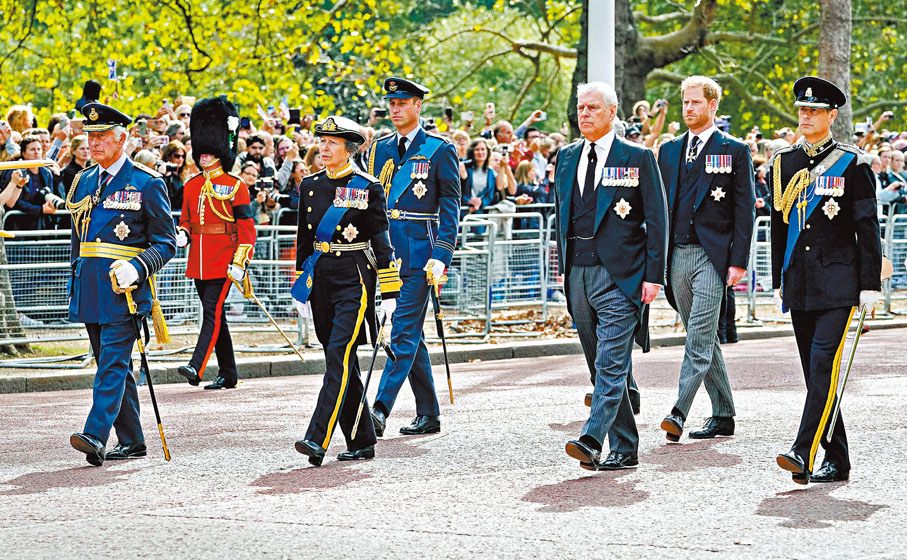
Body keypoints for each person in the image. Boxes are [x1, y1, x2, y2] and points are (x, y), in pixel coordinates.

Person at [770, 77, 882, 484]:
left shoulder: (853, 163)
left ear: (832, 116)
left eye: (814, 111)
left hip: (839, 283)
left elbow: (867, 228)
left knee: (822, 367)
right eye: (802, 109)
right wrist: (777, 276)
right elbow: (779, 226)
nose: (805, 115)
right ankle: (838, 460)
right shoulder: (783, 162)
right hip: (799, 283)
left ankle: (802, 451)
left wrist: (870, 284)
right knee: (817, 376)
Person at [555, 82, 667, 470]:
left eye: (593, 108)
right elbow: (562, 217)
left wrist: (654, 276)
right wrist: (564, 273)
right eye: (581, 108)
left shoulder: (636, 156)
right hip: (579, 274)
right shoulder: (567, 157)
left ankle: (591, 437)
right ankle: (625, 446)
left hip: (622, 275)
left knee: (611, 363)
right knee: (598, 363)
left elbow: (657, 219)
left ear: (613, 111)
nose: (584, 114)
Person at [65, 102, 176, 465]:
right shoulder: (83, 180)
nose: (94, 143)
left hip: (124, 290)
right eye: (90, 136)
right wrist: (75, 278)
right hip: (91, 287)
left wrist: (139, 266)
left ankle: (95, 434)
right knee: (113, 364)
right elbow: (77, 240)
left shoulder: (146, 181)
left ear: (122, 138)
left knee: (111, 363)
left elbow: (166, 242)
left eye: (102, 136)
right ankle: (132, 439)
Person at [291, 116, 401, 466]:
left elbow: (382, 242)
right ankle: (362, 439)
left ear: (349, 148)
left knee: (339, 354)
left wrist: (389, 292)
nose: (323, 148)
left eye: (332, 143)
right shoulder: (309, 185)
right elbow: (304, 240)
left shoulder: (367, 186)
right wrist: (301, 287)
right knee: (342, 361)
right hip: (321, 279)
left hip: (355, 279)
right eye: (321, 141)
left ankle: (316, 437)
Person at [655, 76, 755, 443]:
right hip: (677, 255)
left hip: (714, 258)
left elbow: (745, 211)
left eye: (696, 102)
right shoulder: (668, 151)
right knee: (704, 335)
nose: (689, 109)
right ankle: (724, 413)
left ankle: (678, 410)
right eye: (685, 102)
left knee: (698, 336)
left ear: (713, 105)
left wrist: (738, 261)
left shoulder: (735, 150)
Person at [367, 77, 460, 437]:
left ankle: (378, 409)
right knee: (412, 334)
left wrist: (443, 253)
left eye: (402, 102)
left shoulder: (438, 149)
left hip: (421, 253)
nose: (395, 109)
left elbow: (450, 207)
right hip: (387, 252)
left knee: (402, 330)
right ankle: (429, 412)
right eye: (391, 103)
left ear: (418, 106)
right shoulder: (378, 150)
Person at [175, 97, 255, 390]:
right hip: (197, 260)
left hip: (223, 259)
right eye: (202, 152)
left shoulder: (236, 185)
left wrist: (240, 261)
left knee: (211, 311)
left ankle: (196, 366)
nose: (204, 157)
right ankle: (228, 372)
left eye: (210, 152)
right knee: (216, 315)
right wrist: (182, 233)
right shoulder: (191, 185)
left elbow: (246, 228)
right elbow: (186, 219)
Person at [462, 138, 496, 215]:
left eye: (483, 149)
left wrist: (481, 202)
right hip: (464, 210)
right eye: (477, 150)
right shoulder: (465, 168)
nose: (480, 152)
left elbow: (490, 195)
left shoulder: (491, 172)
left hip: (481, 211)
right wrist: (469, 201)